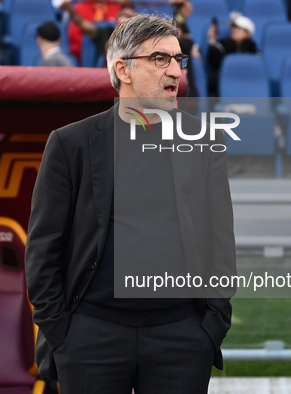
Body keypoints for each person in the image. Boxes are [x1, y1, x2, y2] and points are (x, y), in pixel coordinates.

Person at [25, 13, 235, 394]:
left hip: (182, 337)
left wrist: (210, 327)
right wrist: (61, 332)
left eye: (178, 59)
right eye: (160, 59)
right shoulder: (71, 144)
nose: (175, 71)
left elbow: (222, 242)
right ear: (123, 69)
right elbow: (43, 248)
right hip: (91, 337)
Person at [59, 1, 135, 66]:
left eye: (129, 17)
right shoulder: (107, 32)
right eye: (124, 16)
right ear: (117, 18)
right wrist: (69, 9)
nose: (125, 20)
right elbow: (84, 25)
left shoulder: (139, 37)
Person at [207, 12, 257, 96]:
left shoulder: (254, 53)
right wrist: (211, 40)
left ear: (248, 33)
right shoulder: (222, 46)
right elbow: (213, 61)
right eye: (233, 27)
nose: (234, 29)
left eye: (239, 27)